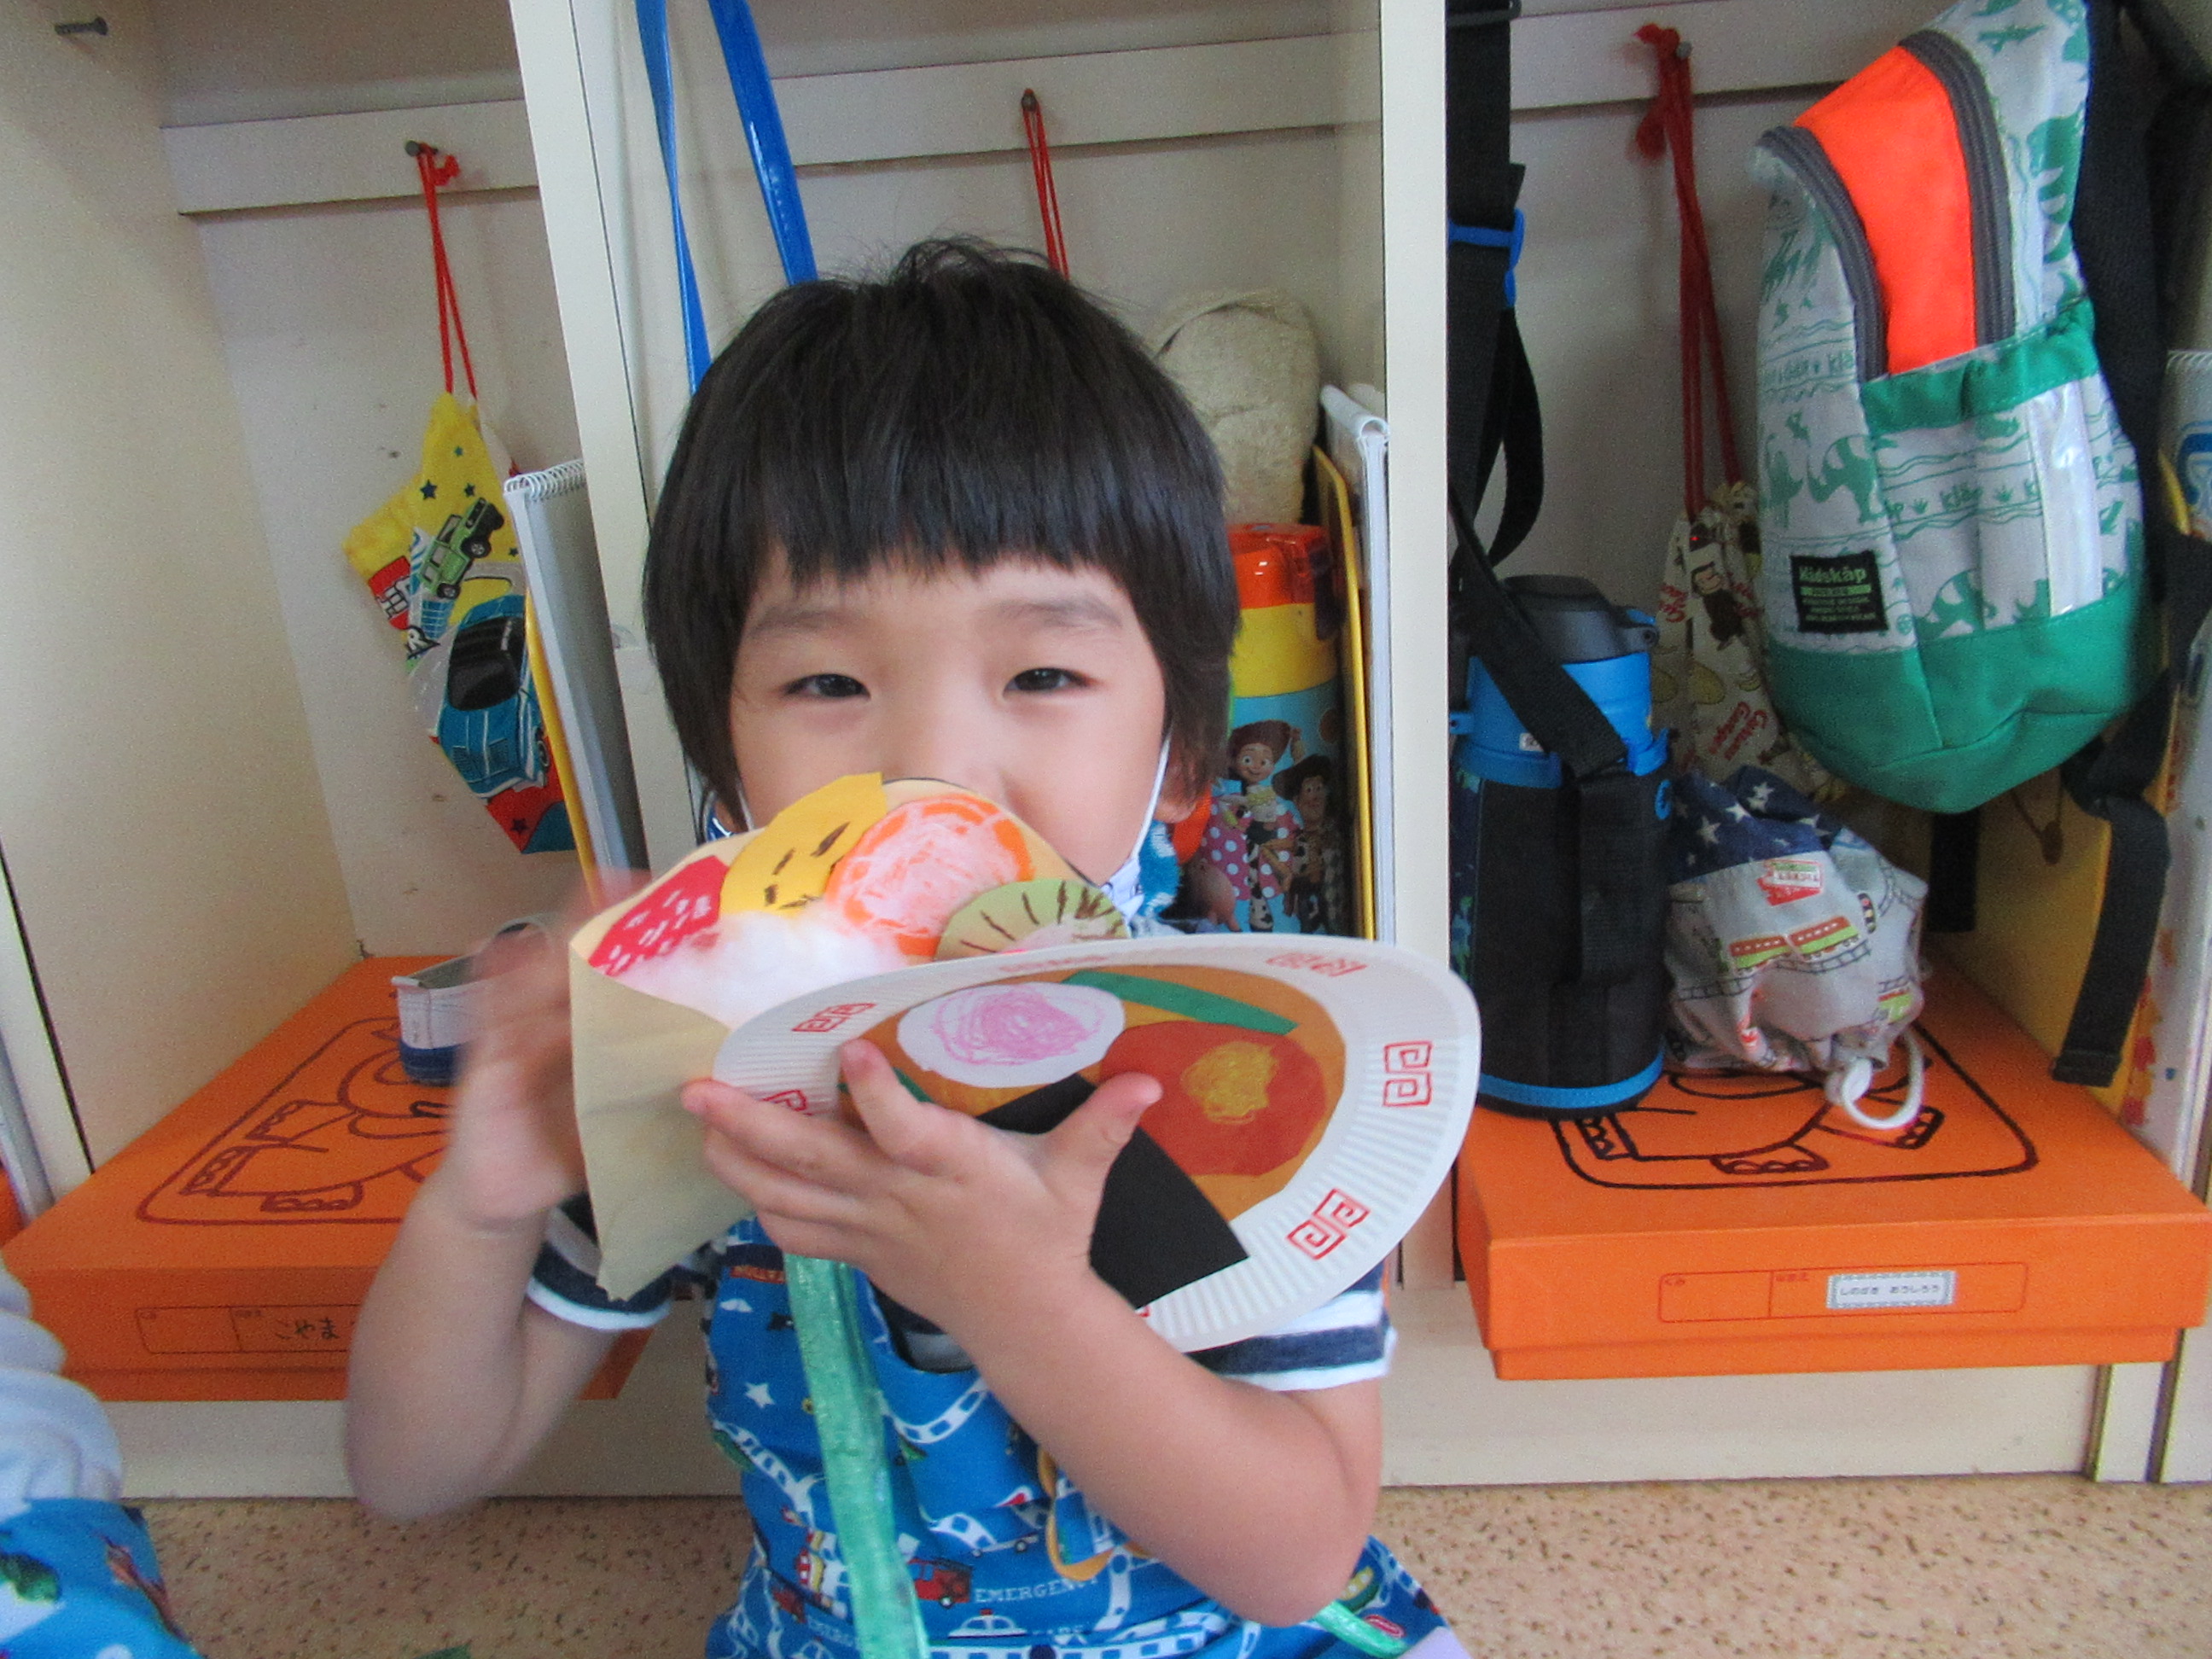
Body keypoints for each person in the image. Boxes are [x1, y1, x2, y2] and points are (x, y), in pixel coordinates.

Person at [346, 240, 1464, 1659]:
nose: (934, 768)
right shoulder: (711, 1058)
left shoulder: (1241, 1058)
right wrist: (481, 1208)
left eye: (1041, 673)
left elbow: (1297, 1556)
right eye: (828, 680)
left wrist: (1021, 1301)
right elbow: (412, 1474)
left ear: (1183, 753)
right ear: (726, 768)